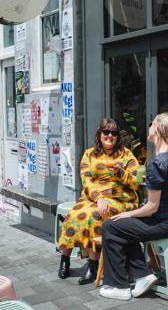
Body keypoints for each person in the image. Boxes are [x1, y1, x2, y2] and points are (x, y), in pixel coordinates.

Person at [99, 113, 168, 301]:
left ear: (156, 130)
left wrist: (127, 213)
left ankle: (119, 286)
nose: (148, 127)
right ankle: (142, 274)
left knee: (110, 226)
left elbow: (152, 207)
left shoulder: (157, 163)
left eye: (151, 124)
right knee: (126, 226)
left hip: (165, 220)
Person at [57, 118, 141, 285]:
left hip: (120, 198)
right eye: (106, 132)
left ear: (118, 136)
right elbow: (86, 180)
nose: (109, 136)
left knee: (96, 215)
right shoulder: (89, 154)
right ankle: (65, 259)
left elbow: (136, 182)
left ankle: (93, 265)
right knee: (75, 214)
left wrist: (120, 174)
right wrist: (99, 198)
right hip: (94, 196)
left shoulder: (127, 155)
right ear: (100, 133)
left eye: (114, 133)